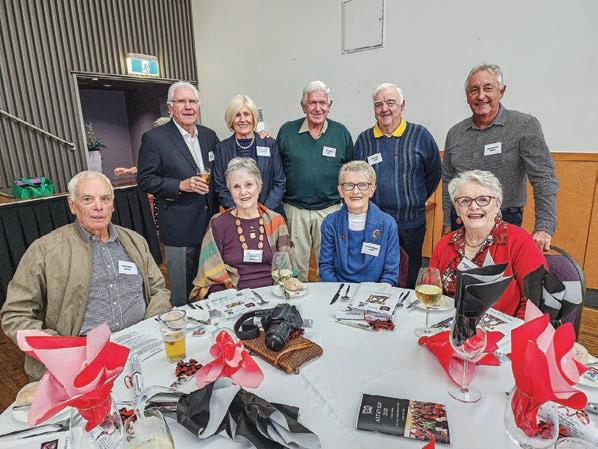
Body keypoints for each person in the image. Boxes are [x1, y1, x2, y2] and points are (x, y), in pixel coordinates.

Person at [0, 171, 171, 380]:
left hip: (140, 350)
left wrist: (148, 327)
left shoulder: (134, 241)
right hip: (80, 364)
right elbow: (15, 315)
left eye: (105, 199)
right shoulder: (45, 250)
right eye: (88, 199)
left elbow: (158, 290)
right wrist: (63, 348)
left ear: (113, 205)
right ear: (72, 205)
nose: (98, 206)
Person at [442, 63, 559, 252]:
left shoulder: (524, 126)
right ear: (467, 96)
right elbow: (448, 179)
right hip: (461, 220)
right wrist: (447, 222)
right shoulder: (455, 133)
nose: (481, 96)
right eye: (474, 90)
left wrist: (544, 227)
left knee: (497, 270)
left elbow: (544, 178)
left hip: (504, 221)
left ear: (501, 91)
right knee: (459, 269)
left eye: (488, 88)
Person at [137, 81, 219, 306]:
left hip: (211, 228)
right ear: (170, 107)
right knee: (183, 293)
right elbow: (145, 180)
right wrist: (180, 185)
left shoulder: (209, 136)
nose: (188, 106)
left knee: (210, 284)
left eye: (192, 101)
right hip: (179, 229)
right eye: (181, 101)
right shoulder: (155, 139)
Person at [353, 83, 441, 288]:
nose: (384, 109)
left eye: (390, 103)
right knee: (376, 271)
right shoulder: (364, 140)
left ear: (402, 105)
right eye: (379, 104)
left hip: (411, 224)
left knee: (410, 273)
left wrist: (414, 199)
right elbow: (356, 178)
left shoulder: (420, 135)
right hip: (375, 224)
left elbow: (434, 172)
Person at [430, 170, 546, 318]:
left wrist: (513, 330)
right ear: (457, 209)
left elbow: (535, 302)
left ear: (497, 205)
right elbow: (431, 290)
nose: (474, 206)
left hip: (502, 328)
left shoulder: (519, 241)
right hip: (448, 324)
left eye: (483, 200)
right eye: (465, 201)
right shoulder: (445, 244)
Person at [277, 80, 353, 281]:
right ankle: (296, 298)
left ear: (330, 105)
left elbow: (349, 173)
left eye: (323, 103)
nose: (318, 108)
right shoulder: (287, 132)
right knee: (295, 267)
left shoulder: (341, 133)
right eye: (312, 103)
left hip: (330, 210)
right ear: (304, 106)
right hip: (295, 210)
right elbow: (276, 170)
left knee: (328, 265)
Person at [190, 158, 291, 299]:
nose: (243, 192)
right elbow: (209, 275)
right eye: (236, 187)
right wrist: (232, 298)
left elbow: (286, 268)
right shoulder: (218, 223)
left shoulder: (276, 221)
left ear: (259, 186)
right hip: (233, 297)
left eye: (249, 185)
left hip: (273, 294)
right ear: (230, 191)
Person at [319, 161, 399, 285]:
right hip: (338, 289)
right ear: (341, 190)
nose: (355, 191)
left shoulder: (388, 224)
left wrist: (376, 293)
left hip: (375, 292)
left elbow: (391, 274)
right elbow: (326, 267)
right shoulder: (330, 223)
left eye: (362, 185)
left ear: (372, 190)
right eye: (349, 185)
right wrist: (340, 292)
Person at [213, 95, 285, 214]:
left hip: (269, 214)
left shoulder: (269, 144)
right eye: (237, 115)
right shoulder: (222, 148)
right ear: (231, 119)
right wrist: (241, 213)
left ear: (253, 117)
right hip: (236, 216)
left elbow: (279, 182)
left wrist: (263, 212)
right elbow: (220, 187)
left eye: (246, 114)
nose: (242, 119)